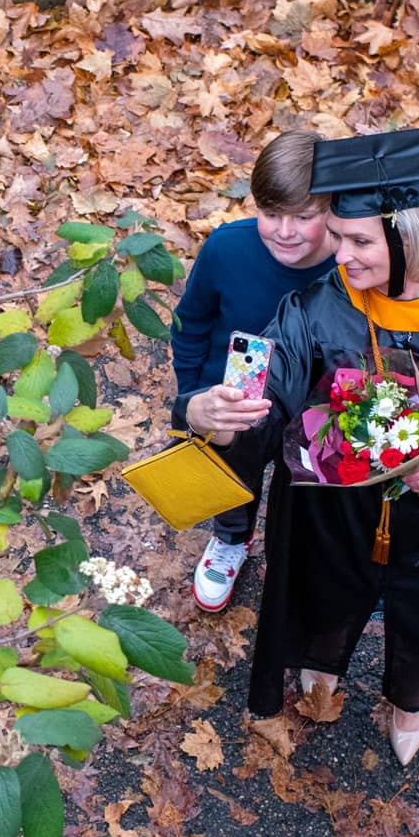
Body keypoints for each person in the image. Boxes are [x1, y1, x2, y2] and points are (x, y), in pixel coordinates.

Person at [177, 126, 419, 764]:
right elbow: (266, 394)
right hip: (330, 499)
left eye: (357, 241)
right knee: (322, 583)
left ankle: (410, 698)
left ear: (407, 239)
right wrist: (207, 410)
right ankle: (322, 663)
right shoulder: (319, 307)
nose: (338, 255)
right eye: (340, 237)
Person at [168, 131, 336, 611]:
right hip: (239, 392)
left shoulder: (351, 265)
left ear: (333, 210)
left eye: (304, 217)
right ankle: (232, 536)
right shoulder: (227, 248)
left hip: (314, 398)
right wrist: (194, 394)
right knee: (232, 469)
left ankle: (303, 552)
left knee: (309, 482)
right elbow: (192, 323)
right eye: (270, 214)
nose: (285, 230)